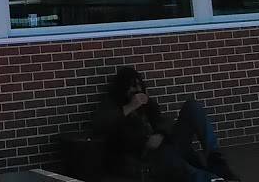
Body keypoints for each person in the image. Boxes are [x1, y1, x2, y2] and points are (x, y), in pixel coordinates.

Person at [93, 67, 240, 182]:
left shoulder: (147, 105)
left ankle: (216, 160)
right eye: (132, 86)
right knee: (182, 167)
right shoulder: (112, 105)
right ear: (122, 88)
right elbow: (101, 126)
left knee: (192, 106)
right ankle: (213, 180)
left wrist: (160, 133)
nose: (137, 90)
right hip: (147, 158)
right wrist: (131, 107)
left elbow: (164, 121)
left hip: (166, 144)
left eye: (139, 85)